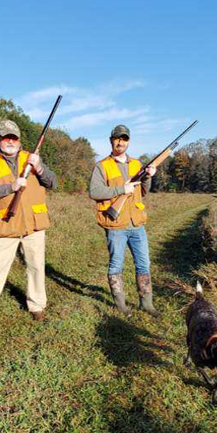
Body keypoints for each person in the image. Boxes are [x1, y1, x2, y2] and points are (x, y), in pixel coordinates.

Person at [0, 119, 57, 324]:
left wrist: (39, 168)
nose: (10, 141)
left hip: (33, 225)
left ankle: (37, 307)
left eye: (14, 138)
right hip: (4, 225)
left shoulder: (32, 158)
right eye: (5, 137)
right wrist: (11, 186)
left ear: (19, 140)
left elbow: (52, 182)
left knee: (36, 267)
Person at [89, 124, 160, 316]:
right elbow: (94, 192)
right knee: (116, 265)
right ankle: (121, 305)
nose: (121, 141)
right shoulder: (102, 166)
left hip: (137, 224)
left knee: (144, 264)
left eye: (125, 138)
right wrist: (122, 189)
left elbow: (144, 191)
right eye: (117, 138)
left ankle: (147, 303)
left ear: (128, 141)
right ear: (111, 140)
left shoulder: (137, 164)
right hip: (116, 225)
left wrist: (148, 176)